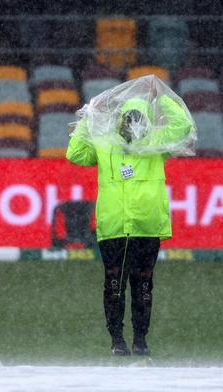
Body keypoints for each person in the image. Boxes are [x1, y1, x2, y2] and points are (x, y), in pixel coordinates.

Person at [66, 88, 193, 356]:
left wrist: (162, 98)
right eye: (128, 119)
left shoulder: (157, 142)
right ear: (120, 119)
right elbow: (75, 154)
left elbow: (183, 126)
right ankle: (116, 339)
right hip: (114, 227)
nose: (133, 125)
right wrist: (87, 119)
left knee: (143, 284)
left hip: (146, 226)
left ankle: (140, 339)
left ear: (146, 120)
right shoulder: (105, 143)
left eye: (139, 119)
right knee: (114, 284)